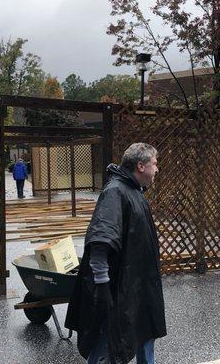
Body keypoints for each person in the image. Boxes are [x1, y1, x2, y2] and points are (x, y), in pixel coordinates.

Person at [65, 143, 166, 364]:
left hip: (139, 287)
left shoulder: (133, 191)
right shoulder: (116, 192)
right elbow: (101, 240)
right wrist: (102, 285)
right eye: (155, 164)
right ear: (141, 166)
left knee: (144, 331)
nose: (157, 170)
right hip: (119, 290)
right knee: (111, 341)